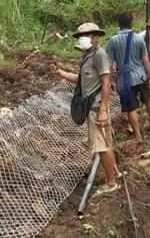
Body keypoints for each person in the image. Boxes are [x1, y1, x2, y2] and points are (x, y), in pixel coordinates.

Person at [56, 22, 121, 195]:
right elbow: (83, 80)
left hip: (96, 107)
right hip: (92, 106)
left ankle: (111, 183)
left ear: (94, 37)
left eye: (83, 37)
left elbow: (107, 82)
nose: (81, 40)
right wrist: (62, 73)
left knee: (102, 146)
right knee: (106, 143)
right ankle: (115, 173)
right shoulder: (88, 56)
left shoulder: (99, 55)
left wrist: (103, 109)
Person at [106, 13, 150, 141]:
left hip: (124, 80)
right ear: (131, 23)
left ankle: (138, 135)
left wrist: (110, 81)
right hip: (140, 76)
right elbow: (145, 60)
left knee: (131, 109)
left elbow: (109, 65)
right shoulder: (138, 39)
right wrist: (149, 77)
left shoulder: (112, 41)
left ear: (119, 24)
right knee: (147, 97)